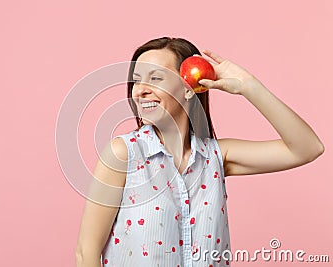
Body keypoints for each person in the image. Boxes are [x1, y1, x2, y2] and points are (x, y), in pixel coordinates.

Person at [75, 37, 324, 267]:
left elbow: (307, 148)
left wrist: (249, 86)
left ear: (189, 87)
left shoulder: (216, 157)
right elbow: (87, 253)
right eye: (137, 80)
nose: (140, 90)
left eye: (156, 78)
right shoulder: (124, 154)